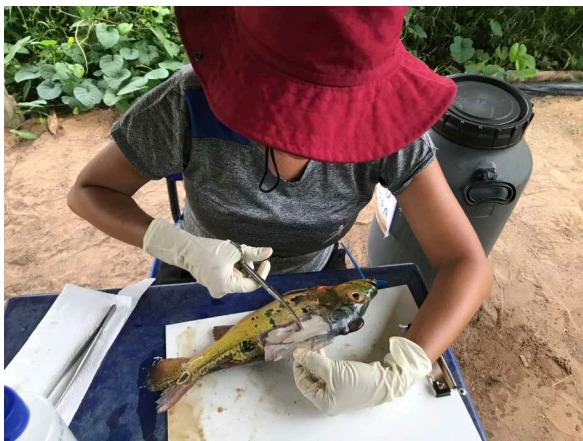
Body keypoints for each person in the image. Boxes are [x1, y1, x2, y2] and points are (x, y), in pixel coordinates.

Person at [68, 7, 492, 416]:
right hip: (197, 275)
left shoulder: (388, 124)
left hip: (318, 283)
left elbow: (465, 263)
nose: (306, 133)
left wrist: (401, 369)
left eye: (335, 109)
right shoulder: (188, 104)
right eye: (290, 102)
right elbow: (89, 191)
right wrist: (178, 246)